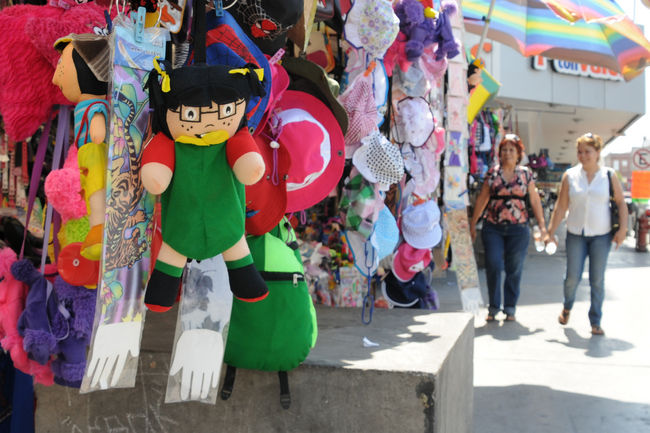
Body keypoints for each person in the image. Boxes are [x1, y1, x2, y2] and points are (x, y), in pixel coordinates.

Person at [546, 133, 627, 335]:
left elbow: (620, 203)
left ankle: (595, 321)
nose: (583, 156)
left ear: (598, 152)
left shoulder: (609, 176)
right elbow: (561, 207)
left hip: (602, 235)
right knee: (572, 277)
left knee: (597, 280)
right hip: (576, 234)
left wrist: (622, 229)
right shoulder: (570, 176)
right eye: (580, 152)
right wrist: (550, 233)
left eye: (587, 152)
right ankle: (567, 306)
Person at [470, 134, 547, 322]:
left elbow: (535, 200)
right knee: (493, 264)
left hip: (518, 228)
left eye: (512, 150)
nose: (507, 153)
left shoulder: (526, 174)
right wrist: (472, 224)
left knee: (514, 268)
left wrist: (543, 226)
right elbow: (482, 199)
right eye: (504, 149)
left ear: (519, 153)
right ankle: (493, 307)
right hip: (493, 227)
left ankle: (510, 307)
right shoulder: (492, 173)